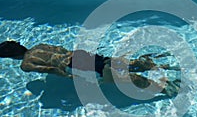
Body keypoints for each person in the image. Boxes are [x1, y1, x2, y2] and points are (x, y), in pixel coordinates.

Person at [0, 40, 180, 97]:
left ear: (9, 57)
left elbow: (54, 70)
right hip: (80, 56)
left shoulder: (26, 65)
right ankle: (165, 64)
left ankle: (166, 88)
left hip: (74, 67)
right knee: (124, 64)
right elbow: (62, 51)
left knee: (122, 78)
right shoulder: (40, 46)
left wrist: (77, 80)